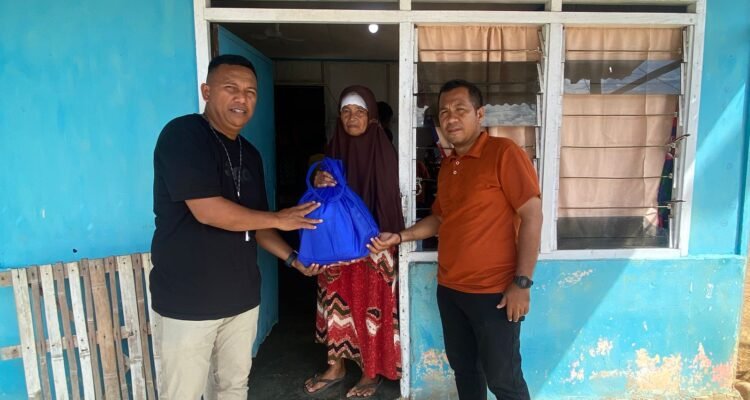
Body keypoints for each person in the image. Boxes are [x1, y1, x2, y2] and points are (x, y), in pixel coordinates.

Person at [150, 54, 324, 400]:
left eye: (250, 92)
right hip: (189, 300)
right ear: (206, 91)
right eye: (231, 88)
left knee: (233, 387)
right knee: (183, 393)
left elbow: (256, 224)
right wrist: (279, 217)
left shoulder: (250, 154)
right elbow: (208, 211)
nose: (242, 98)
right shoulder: (184, 135)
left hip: (242, 299)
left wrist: (294, 259)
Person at [369, 79, 543, 400]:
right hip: (450, 291)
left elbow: (532, 216)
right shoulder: (449, 165)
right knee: (465, 371)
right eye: (444, 112)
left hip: (494, 293)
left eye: (460, 109)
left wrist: (522, 282)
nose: (451, 118)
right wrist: (400, 236)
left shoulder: (504, 153)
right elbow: (440, 218)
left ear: (480, 114)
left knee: (504, 380)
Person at [303, 86, 405, 398]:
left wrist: (387, 242)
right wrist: (317, 179)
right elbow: (319, 198)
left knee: (368, 309)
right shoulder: (333, 149)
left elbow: (389, 200)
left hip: (373, 246)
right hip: (335, 246)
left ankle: (370, 372)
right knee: (335, 306)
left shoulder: (382, 148)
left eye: (359, 112)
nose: (352, 118)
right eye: (346, 112)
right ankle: (336, 366)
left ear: (371, 116)